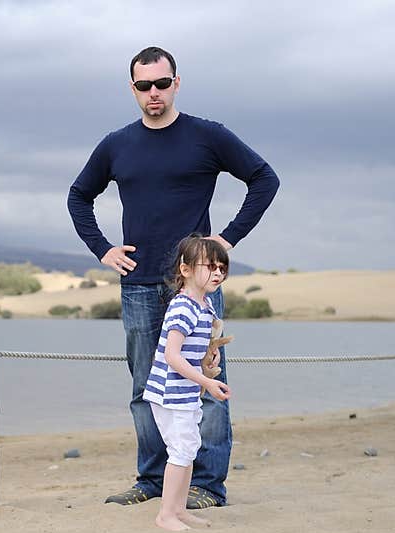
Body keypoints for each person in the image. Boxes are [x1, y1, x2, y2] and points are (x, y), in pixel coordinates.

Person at [67, 45, 279, 509]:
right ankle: (152, 482)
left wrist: (227, 239)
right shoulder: (116, 144)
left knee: (206, 383)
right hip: (139, 284)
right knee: (147, 387)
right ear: (133, 89)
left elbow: (264, 179)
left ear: (176, 83)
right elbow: (78, 196)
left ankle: (206, 486)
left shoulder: (207, 136)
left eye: (162, 84)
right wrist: (102, 249)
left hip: (198, 285)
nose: (154, 93)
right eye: (144, 86)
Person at [143, 235, 231, 531]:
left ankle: (179, 510)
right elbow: (171, 355)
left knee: (189, 448)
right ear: (186, 269)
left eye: (222, 267)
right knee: (180, 450)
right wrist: (205, 379)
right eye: (210, 266)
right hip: (169, 392)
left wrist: (208, 362)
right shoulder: (183, 307)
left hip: (187, 391)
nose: (218, 272)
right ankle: (165, 514)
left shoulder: (205, 307)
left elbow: (195, 354)